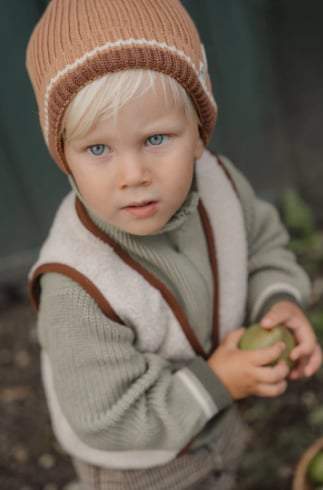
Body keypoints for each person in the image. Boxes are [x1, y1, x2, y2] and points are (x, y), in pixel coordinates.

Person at [25, 1, 322, 489]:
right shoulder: (76, 288)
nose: (133, 175)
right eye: (97, 149)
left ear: (199, 134)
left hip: (217, 429)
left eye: (157, 138)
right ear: (66, 157)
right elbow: (109, 418)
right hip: (140, 469)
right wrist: (218, 382)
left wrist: (278, 300)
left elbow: (264, 247)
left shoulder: (221, 185)